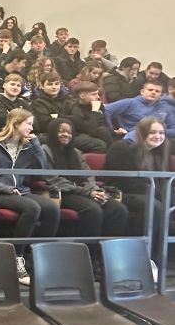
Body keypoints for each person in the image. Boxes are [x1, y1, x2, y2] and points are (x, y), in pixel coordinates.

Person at [0, 108, 59, 285]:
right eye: (28, 123)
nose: (32, 128)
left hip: (21, 191)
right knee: (32, 208)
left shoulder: (29, 146)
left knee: (52, 208)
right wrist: (5, 188)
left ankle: (39, 254)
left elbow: (43, 171)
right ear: (16, 123)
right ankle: (17, 257)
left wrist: (37, 146)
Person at [42, 118, 128, 237]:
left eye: (69, 132)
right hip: (62, 193)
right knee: (93, 210)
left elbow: (87, 175)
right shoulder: (45, 152)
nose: (66, 135)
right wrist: (88, 192)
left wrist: (95, 190)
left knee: (118, 209)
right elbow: (53, 179)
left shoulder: (76, 152)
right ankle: (89, 250)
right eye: (61, 131)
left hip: (83, 191)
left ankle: (107, 249)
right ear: (52, 132)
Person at [104, 117, 171, 266]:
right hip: (120, 193)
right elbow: (124, 182)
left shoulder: (159, 153)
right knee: (156, 206)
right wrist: (160, 193)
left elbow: (163, 181)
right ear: (142, 133)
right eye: (152, 132)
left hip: (150, 193)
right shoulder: (121, 148)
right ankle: (149, 259)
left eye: (161, 133)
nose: (158, 136)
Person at [105, 81, 175, 141]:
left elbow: (173, 130)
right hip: (131, 138)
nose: (153, 92)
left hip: (156, 140)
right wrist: (111, 130)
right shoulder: (130, 102)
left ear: (161, 95)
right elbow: (106, 110)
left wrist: (156, 132)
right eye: (150, 90)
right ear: (142, 91)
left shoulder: (166, 108)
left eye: (157, 91)